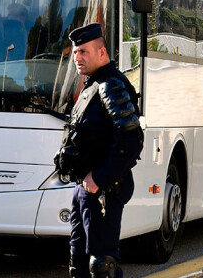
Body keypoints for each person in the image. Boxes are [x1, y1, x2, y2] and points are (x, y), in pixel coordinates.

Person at [54, 23, 143, 278]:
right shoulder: (93, 84)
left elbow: (131, 140)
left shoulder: (110, 85)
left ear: (101, 53)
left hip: (103, 190)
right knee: (78, 262)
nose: (78, 58)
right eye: (75, 53)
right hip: (84, 189)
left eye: (84, 52)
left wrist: (100, 178)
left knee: (101, 265)